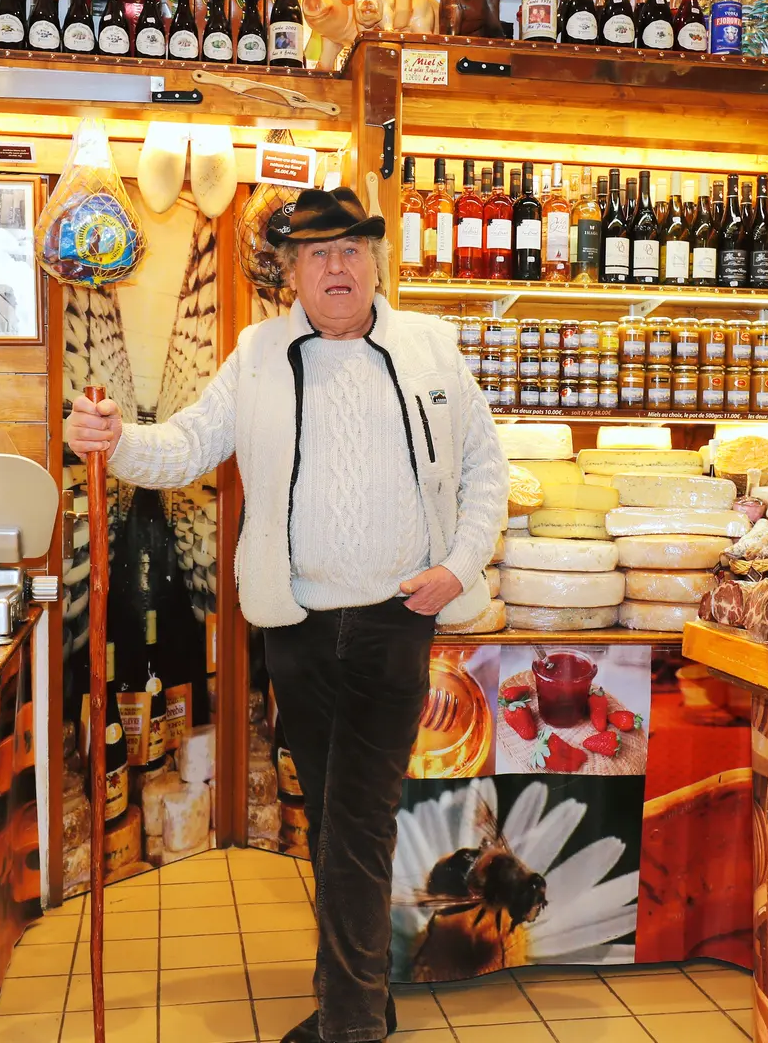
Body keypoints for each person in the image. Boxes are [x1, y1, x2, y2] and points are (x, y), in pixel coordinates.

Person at [65, 186, 506, 1043]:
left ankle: (350, 1024)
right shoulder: (259, 353)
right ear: (292, 275)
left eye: (350, 250)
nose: (335, 267)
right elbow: (188, 443)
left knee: (356, 817)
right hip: (295, 625)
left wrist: (457, 569)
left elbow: (486, 468)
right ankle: (362, 994)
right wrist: (115, 439)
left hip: (394, 617)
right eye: (316, 254)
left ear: (376, 260)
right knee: (338, 817)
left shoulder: (430, 346)